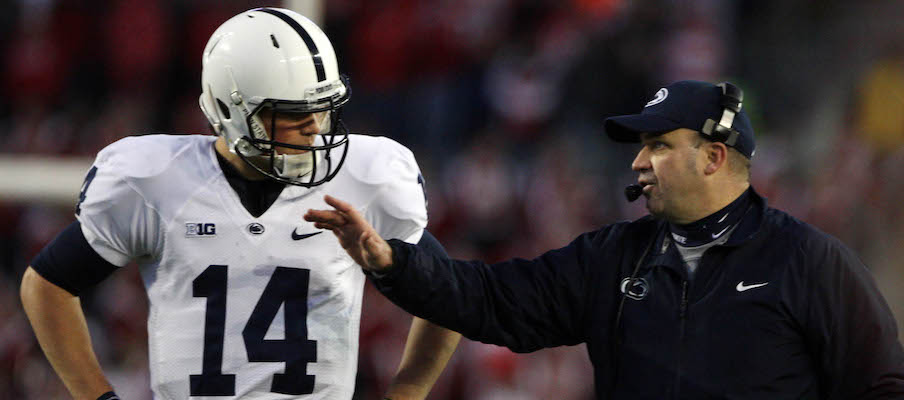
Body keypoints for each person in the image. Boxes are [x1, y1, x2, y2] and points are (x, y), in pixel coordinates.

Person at [306, 80, 904, 398]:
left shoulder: (812, 261)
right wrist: (393, 262)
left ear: (714, 157)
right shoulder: (612, 256)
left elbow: (882, 384)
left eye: (660, 146)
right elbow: (485, 300)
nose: (639, 163)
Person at [20, 8, 460, 400]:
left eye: (322, 109)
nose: (315, 129)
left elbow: (451, 295)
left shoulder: (364, 181)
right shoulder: (155, 181)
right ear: (232, 112)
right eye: (292, 113)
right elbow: (47, 285)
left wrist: (408, 391)